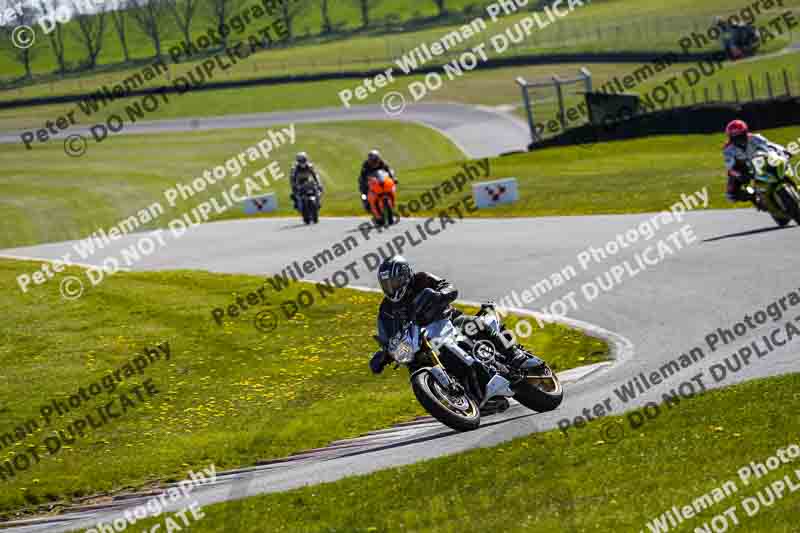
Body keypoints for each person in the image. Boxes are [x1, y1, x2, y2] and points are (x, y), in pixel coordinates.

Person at [368, 256, 535, 375]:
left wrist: (439, 295)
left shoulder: (421, 279)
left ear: (405, 275)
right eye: (387, 285)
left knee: (477, 324)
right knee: (415, 363)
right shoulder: (386, 308)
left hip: (448, 320)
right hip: (422, 341)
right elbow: (388, 335)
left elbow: (449, 287)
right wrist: (384, 354)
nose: (391, 288)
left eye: (394, 282)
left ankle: (513, 354)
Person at [723, 120, 791, 209]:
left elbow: (769, 146)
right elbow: (730, 167)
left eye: (740, 136)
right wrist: (739, 175)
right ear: (730, 137)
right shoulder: (728, 149)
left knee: (782, 163)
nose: (738, 139)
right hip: (745, 169)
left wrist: (784, 151)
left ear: (745, 132)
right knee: (730, 194)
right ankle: (753, 197)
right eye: (734, 137)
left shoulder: (755, 138)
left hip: (762, 161)